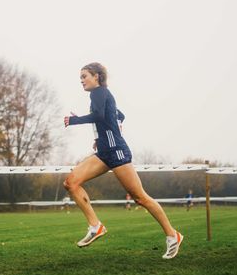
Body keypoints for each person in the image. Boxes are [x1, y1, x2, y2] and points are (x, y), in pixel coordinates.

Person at [63, 62, 183, 259]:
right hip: (104, 152)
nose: (81, 81)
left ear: (97, 77)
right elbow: (119, 116)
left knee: (140, 198)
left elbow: (100, 115)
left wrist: (74, 121)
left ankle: (173, 235)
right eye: (80, 78)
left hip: (117, 152)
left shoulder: (99, 92)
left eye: (84, 76)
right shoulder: (100, 96)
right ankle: (95, 226)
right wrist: (101, 137)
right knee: (71, 183)